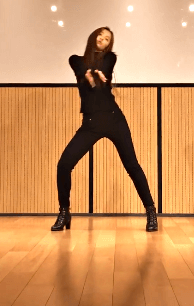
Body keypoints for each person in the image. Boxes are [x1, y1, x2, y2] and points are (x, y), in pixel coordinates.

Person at [51, 26, 158, 232]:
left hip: (114, 119)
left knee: (132, 166)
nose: (103, 39)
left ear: (109, 45)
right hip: (90, 123)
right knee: (64, 164)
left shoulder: (110, 58)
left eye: (107, 38)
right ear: (93, 37)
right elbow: (81, 69)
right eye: (100, 35)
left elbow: (104, 72)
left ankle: (151, 211)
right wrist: (91, 75)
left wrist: (95, 76)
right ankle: (64, 212)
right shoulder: (76, 60)